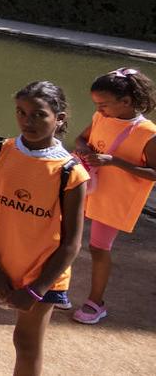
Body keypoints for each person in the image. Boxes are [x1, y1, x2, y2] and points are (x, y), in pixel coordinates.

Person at [0, 81, 88, 376]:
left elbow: (70, 244)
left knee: (26, 343)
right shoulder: (1, 150)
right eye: (21, 113)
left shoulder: (70, 172)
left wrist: (36, 290)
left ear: (59, 119)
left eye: (39, 114)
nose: (28, 121)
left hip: (41, 273)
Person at [69, 67, 156, 325]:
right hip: (87, 187)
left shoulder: (148, 133)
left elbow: (153, 173)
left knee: (98, 248)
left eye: (103, 104)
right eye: (96, 104)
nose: (99, 109)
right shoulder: (101, 117)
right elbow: (81, 139)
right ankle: (54, 288)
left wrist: (114, 161)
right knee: (64, 234)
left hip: (115, 198)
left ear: (126, 102)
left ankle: (96, 302)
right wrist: (85, 151)